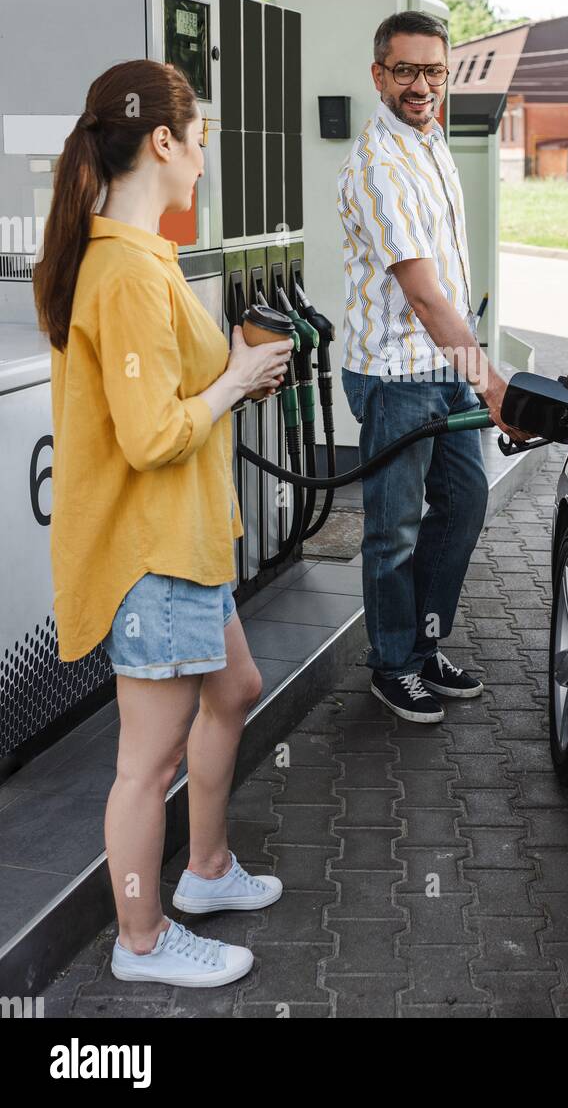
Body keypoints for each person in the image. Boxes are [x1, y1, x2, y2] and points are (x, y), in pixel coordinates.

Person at [33, 60, 295, 989]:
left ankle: (210, 870)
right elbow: (149, 439)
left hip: (187, 542)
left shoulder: (140, 257)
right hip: (156, 553)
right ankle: (139, 938)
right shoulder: (125, 272)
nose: (202, 163)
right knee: (144, 766)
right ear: (162, 142)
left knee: (234, 689)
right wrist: (233, 381)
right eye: (201, 142)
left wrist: (231, 366)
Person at [337, 11, 526, 723]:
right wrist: (492, 383)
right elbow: (419, 292)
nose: (422, 85)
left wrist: (470, 365)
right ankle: (392, 665)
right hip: (394, 374)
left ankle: (422, 642)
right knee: (394, 529)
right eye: (407, 71)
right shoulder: (379, 167)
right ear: (379, 75)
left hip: (441, 363)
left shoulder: (430, 139)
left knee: (465, 501)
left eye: (434, 70)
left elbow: (441, 285)